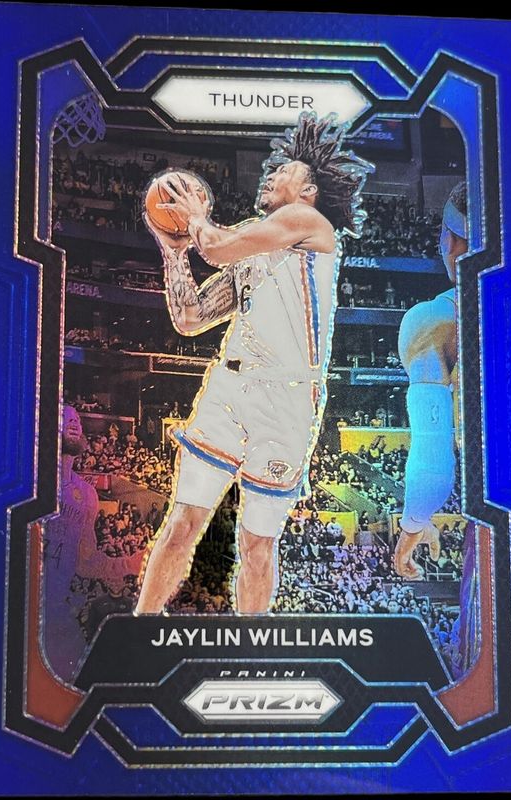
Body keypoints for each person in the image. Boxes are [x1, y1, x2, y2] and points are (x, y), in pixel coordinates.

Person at [136, 112, 374, 615]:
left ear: (308, 190)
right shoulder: (250, 239)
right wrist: (173, 251)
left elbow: (215, 248)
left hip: (288, 400)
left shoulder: (307, 222)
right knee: (181, 523)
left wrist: (195, 217)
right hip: (229, 389)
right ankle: (139, 627)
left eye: (283, 170)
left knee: (256, 544)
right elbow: (190, 318)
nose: (271, 173)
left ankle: (252, 644)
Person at [394, 182, 467, 579]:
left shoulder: (433, 321)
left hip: (504, 515)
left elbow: (434, 461)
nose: (449, 245)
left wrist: (412, 529)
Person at [42, 405, 99, 681]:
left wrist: (132, 563)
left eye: (77, 420)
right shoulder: (35, 480)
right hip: (30, 600)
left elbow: (87, 562)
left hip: (60, 610)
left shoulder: (87, 494)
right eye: (66, 418)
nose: (74, 423)